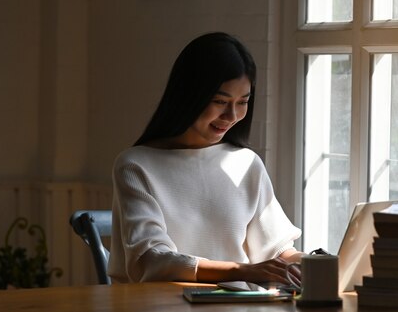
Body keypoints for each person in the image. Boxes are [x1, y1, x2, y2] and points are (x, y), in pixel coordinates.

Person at [107, 32, 304, 284]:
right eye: (220, 101)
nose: (231, 115)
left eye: (243, 101)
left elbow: (275, 250)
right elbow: (152, 260)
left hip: (238, 305)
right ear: (189, 96)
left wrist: (315, 263)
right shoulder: (136, 165)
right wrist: (241, 270)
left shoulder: (246, 164)